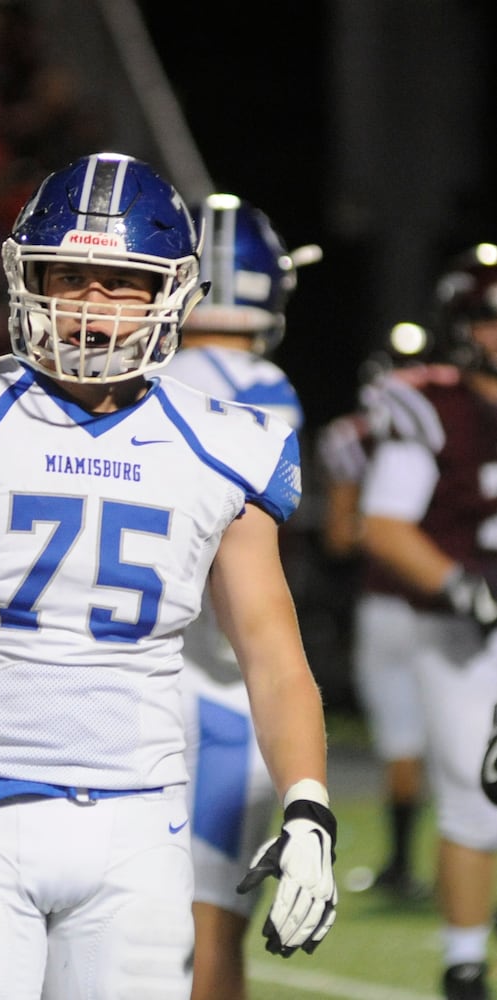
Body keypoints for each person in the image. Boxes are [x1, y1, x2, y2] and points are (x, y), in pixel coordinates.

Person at [0, 153, 337, 999]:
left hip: (140, 824)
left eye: (119, 280)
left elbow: (274, 657)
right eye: (68, 274)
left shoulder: (226, 444)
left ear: (171, 292)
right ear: (25, 273)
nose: (88, 303)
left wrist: (308, 805)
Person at [161, 193, 312, 1000]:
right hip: (222, 693)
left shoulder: (139, 376)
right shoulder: (267, 387)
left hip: (135, 678)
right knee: (210, 925)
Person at [359, 243, 497, 1000]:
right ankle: (464, 964)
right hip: (458, 631)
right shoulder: (431, 405)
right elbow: (383, 526)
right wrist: (462, 588)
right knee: (474, 789)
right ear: (464, 327)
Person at [317, 344, 457, 905]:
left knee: (403, 738)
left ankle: (402, 866)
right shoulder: (463, 422)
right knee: (464, 739)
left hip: (386, 604)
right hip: (452, 601)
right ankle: (458, 872)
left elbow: (342, 534)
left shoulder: (352, 435)